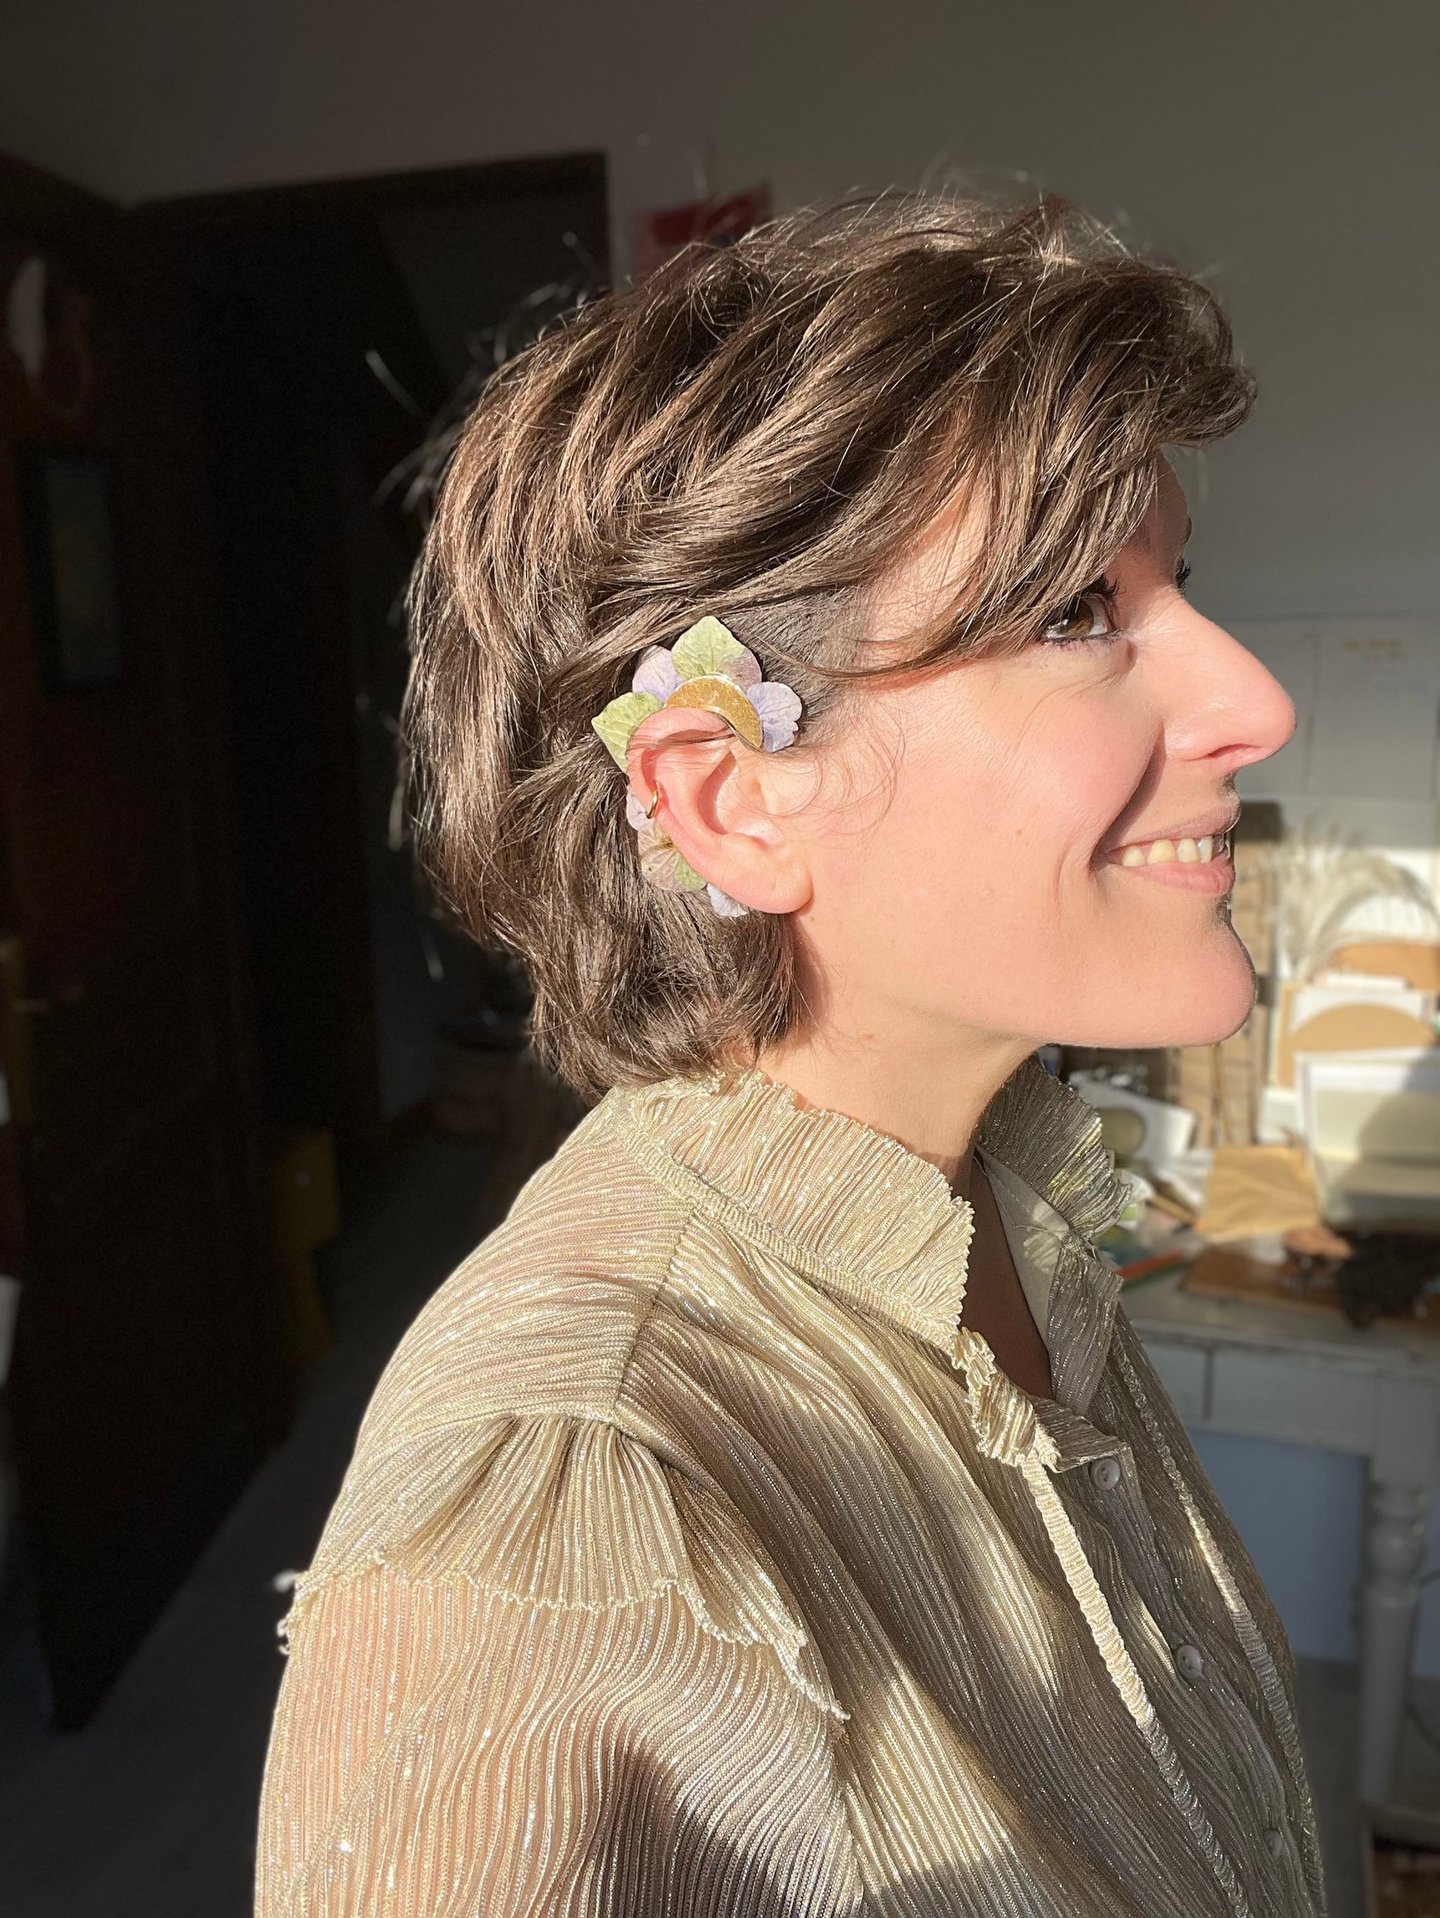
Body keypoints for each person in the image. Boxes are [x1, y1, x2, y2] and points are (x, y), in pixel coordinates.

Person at [254, 192, 1323, 1918]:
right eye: (1073, 612)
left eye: (1172, 585)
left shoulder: (1005, 1210)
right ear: (729, 796)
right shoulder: (572, 1513)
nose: (1252, 700)